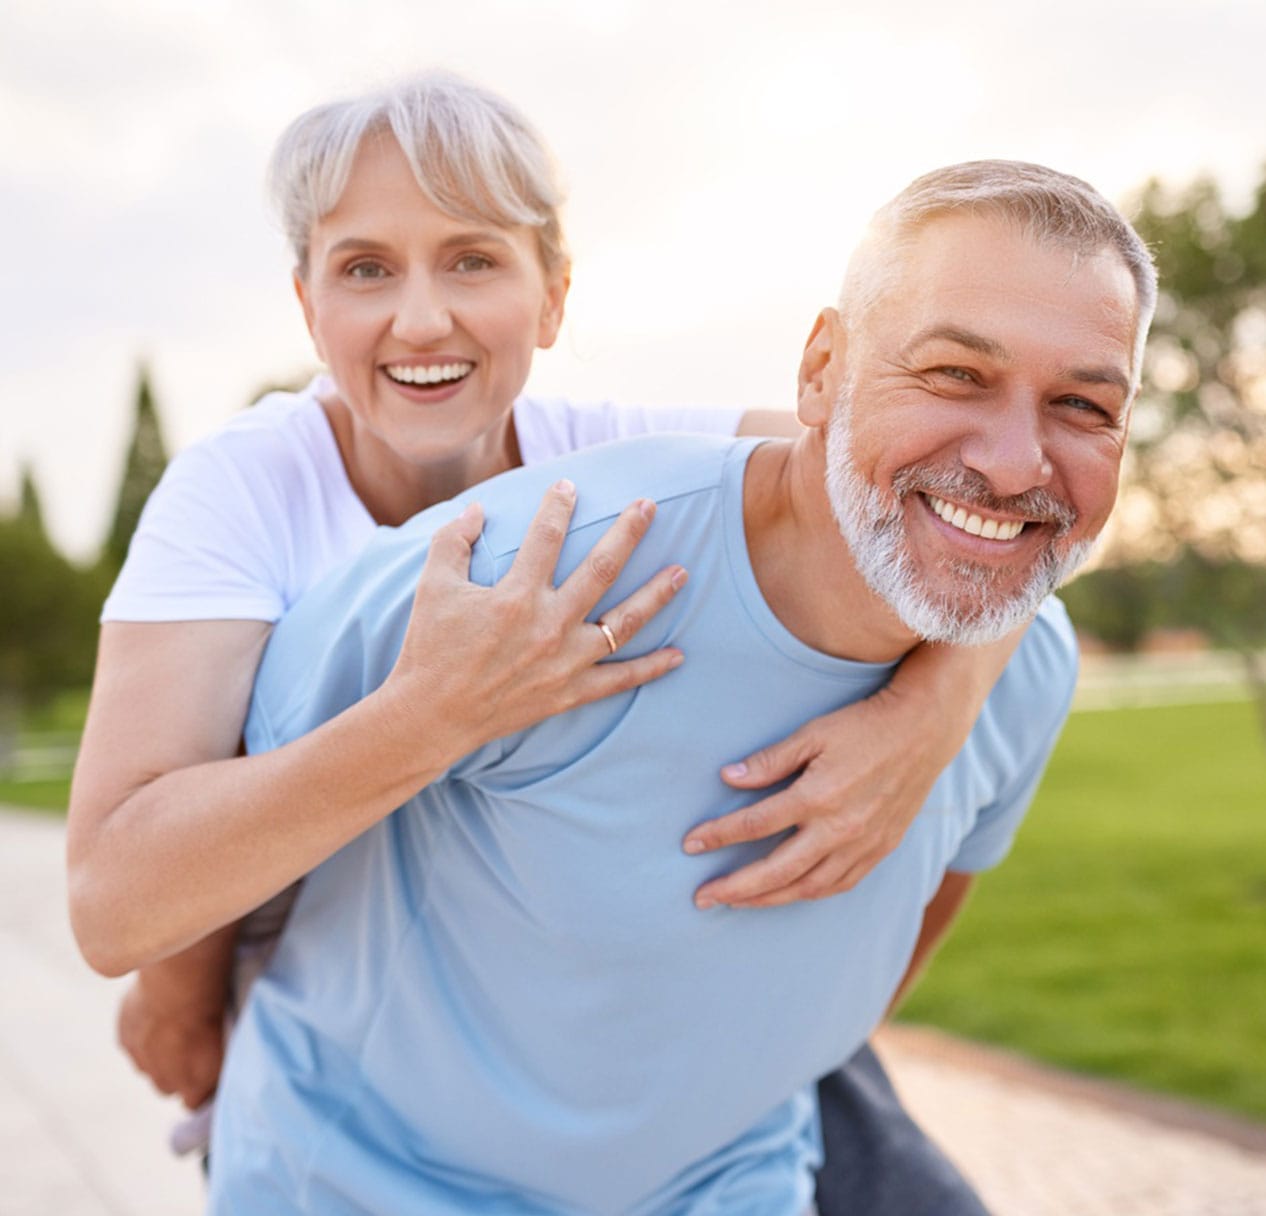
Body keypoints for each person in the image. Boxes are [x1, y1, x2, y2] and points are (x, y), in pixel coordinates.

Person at [67, 75, 1018, 1213]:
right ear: (308, 304)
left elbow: (958, 496)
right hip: (371, 1063)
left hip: (651, 1020)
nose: (422, 318)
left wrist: (933, 710)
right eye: (366, 269)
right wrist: (431, 719)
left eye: (472, 260)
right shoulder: (238, 494)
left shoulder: (622, 456)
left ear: (554, 295)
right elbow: (113, 899)